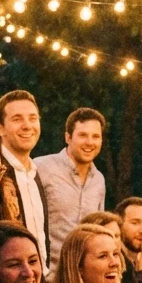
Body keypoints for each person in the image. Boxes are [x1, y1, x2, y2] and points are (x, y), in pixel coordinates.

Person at [36, 107, 107, 271]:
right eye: (83, 135)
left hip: (84, 277)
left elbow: (98, 232)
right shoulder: (41, 168)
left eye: (96, 136)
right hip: (48, 276)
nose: (90, 142)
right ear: (68, 137)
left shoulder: (99, 180)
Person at [0, 90, 50, 265]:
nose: (27, 126)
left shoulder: (35, 173)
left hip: (39, 280)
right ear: (0, 129)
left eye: (33, 118)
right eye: (17, 119)